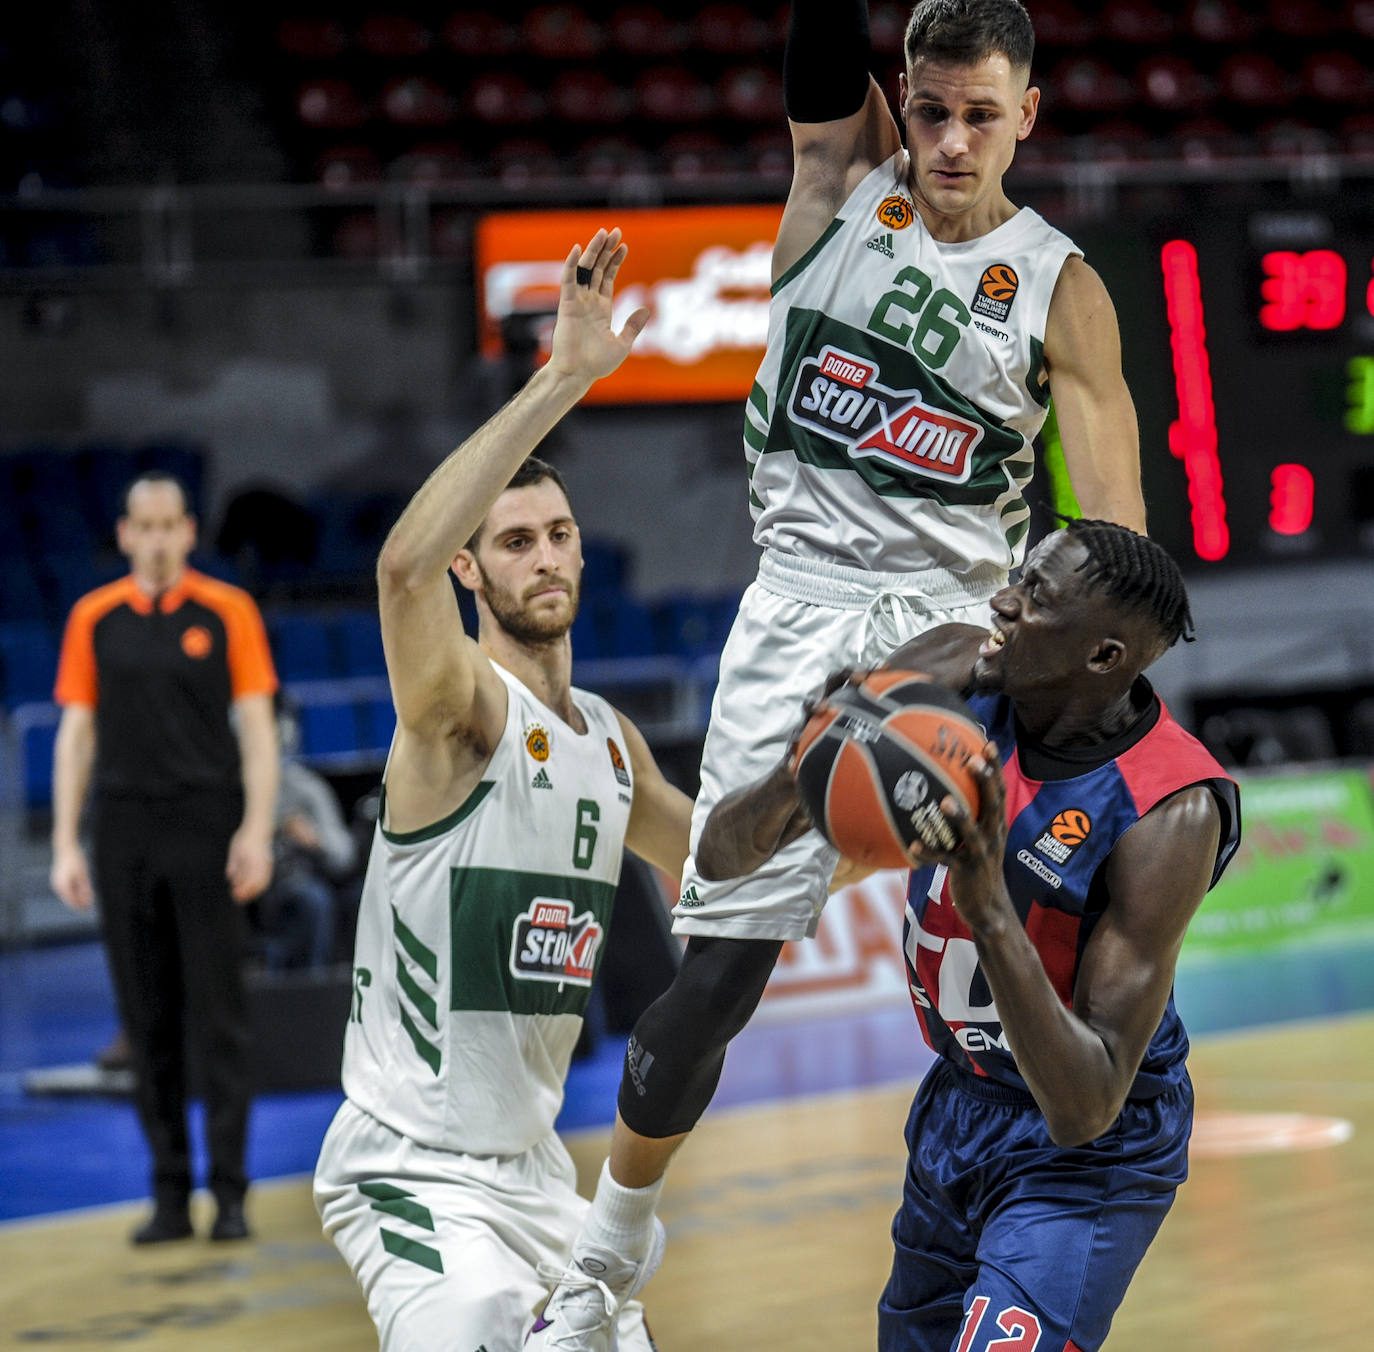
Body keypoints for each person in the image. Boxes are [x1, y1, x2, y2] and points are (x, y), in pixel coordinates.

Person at [533, 2, 1149, 1343]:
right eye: (927, 110)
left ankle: (1071, 1171)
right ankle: (600, 1268)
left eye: (981, 114)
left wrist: (1102, 724)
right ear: (898, 104)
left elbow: (1117, 556)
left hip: (955, 626)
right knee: (714, 986)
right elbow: (821, 67)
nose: (947, 139)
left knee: (1036, 920)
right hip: (792, 612)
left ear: (1025, 116)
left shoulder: (1061, 287)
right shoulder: (839, 190)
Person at [691, 520, 1241, 1351]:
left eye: (1037, 598)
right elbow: (721, 857)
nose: (1003, 601)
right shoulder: (949, 668)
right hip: (958, 1106)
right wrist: (812, 757)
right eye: (1019, 578)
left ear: (1103, 658)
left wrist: (988, 904)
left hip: (1091, 1158)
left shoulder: (1169, 809)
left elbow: (1086, 1106)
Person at [311, 228, 694, 1352]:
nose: (547, 555)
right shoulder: (461, 710)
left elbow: (718, 855)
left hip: (534, 1175)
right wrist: (562, 380)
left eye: (561, 533)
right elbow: (399, 568)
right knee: (475, 1322)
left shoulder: (610, 745)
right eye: (516, 539)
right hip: (409, 1162)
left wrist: (913, 830)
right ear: (473, 570)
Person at [49, 471, 279, 1245]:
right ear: (124, 534)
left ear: (188, 532)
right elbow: (76, 733)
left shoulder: (227, 611)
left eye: (168, 524)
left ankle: (233, 1191)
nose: (154, 539)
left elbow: (255, 727)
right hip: (122, 829)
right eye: (141, 526)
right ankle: (170, 1195)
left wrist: (255, 829)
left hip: (206, 823)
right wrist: (63, 843)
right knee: (145, 1020)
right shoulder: (95, 617)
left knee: (220, 1016)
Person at [252, 698, 358, 971]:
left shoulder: (306, 789)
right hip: (256, 887)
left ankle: (322, 988)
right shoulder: (234, 791)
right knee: (311, 899)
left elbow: (344, 854)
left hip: (305, 880)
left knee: (330, 898)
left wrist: (314, 840)